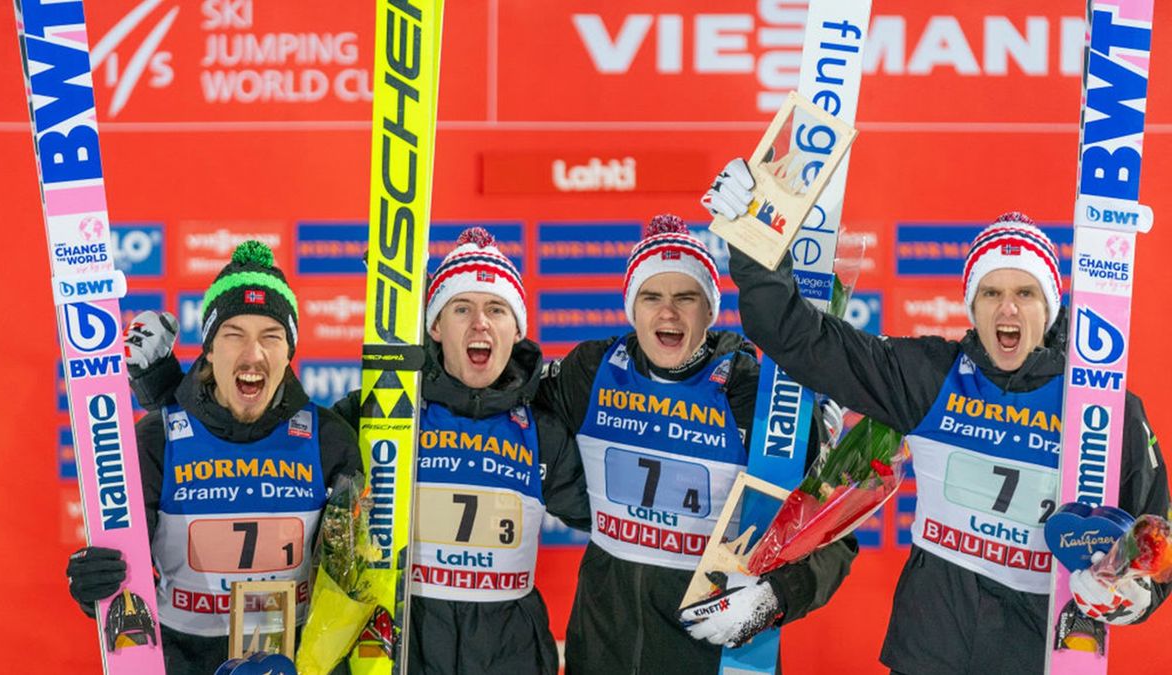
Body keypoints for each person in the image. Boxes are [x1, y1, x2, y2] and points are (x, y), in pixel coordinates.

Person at [704, 163, 1171, 674]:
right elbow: (799, 338)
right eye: (991, 293)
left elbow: (1157, 539)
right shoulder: (931, 376)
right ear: (972, 306)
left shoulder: (1101, 408)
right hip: (928, 655)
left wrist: (1133, 592)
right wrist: (754, 240)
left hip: (1039, 658)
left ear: (1050, 308)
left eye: (1026, 293)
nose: (1007, 310)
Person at [122, 228, 588, 675]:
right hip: (401, 655)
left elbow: (614, 521)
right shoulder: (378, 414)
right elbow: (226, 429)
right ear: (438, 326)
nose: (480, 322)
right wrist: (165, 398)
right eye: (461, 308)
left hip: (505, 655)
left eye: (497, 310)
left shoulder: (538, 429)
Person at [537, 214, 856, 675]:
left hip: (714, 660)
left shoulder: (758, 396)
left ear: (709, 309)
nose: (668, 313)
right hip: (603, 654)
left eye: (686, 297)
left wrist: (776, 597)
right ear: (632, 307)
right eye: (651, 297)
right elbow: (513, 412)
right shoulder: (594, 372)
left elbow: (834, 531)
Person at [65, 241, 363, 673]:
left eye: (271, 337)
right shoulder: (157, 439)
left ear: (289, 352)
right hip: (180, 660)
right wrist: (97, 588)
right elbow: (122, 578)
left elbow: (351, 579)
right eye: (234, 335)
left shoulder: (329, 440)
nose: (253, 353)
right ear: (209, 347)